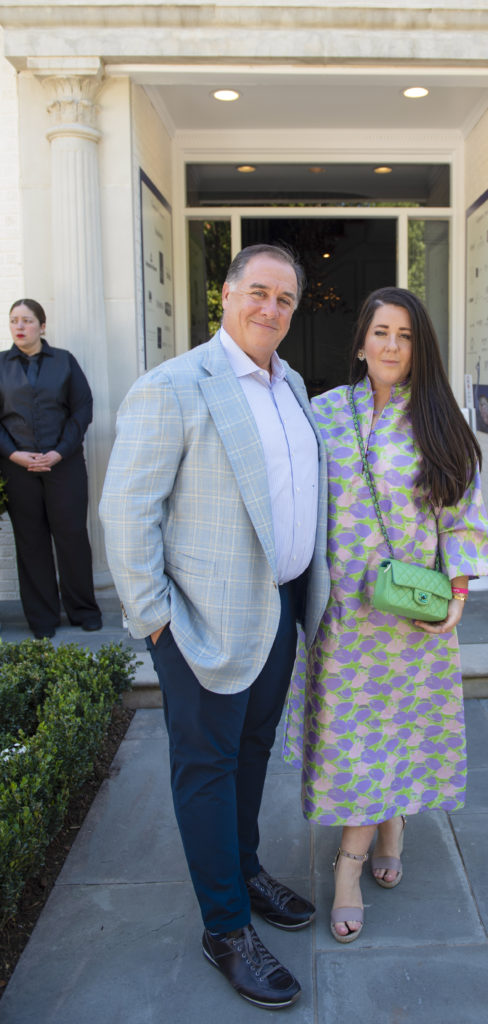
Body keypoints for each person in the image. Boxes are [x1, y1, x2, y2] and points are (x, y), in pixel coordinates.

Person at [99, 244, 329, 1011]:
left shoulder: (290, 382)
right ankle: (225, 927)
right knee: (206, 767)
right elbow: (127, 515)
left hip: (281, 608)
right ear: (225, 295)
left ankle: (245, 867)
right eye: (257, 292)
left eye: (285, 299)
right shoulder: (173, 386)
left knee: (254, 750)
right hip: (199, 625)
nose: (271, 309)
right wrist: (157, 622)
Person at [284, 286, 488, 942]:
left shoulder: (438, 421)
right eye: (381, 332)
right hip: (342, 620)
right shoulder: (321, 415)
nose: (391, 346)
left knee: (397, 732)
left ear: (419, 348)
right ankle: (387, 825)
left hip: (410, 618)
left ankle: (349, 866)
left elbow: (460, 519)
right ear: (360, 341)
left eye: (405, 335)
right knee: (354, 740)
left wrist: (457, 598)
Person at [0, 299, 101, 639]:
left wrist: (59, 452)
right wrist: (14, 455)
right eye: (14, 320)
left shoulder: (64, 361)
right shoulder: (0, 364)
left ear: (42, 326)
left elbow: (82, 409)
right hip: (18, 469)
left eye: (27, 320)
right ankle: (42, 619)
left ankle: (83, 610)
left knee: (72, 537)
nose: (19, 326)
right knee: (31, 542)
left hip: (65, 466)